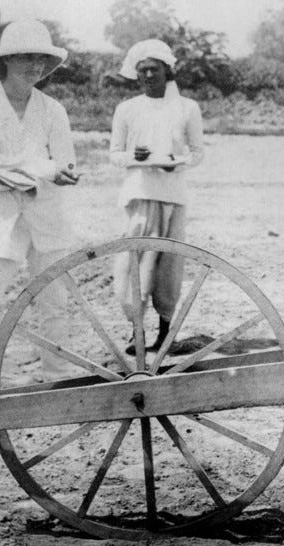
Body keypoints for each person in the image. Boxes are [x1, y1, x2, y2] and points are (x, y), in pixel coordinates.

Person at [0, 19, 80, 402]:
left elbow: (66, 163)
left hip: (48, 219)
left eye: (40, 59)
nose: (34, 66)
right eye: (25, 57)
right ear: (6, 61)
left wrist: (48, 171)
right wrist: (44, 169)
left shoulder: (53, 110)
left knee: (55, 305)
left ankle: (59, 381)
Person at [109, 39, 205, 354]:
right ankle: (136, 331)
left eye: (154, 69)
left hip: (173, 194)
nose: (149, 75)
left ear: (167, 70)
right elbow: (115, 154)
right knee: (135, 263)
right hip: (139, 193)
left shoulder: (187, 108)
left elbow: (198, 152)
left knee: (169, 266)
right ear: (136, 74)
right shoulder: (127, 109)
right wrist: (134, 157)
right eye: (143, 70)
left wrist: (175, 162)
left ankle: (165, 333)